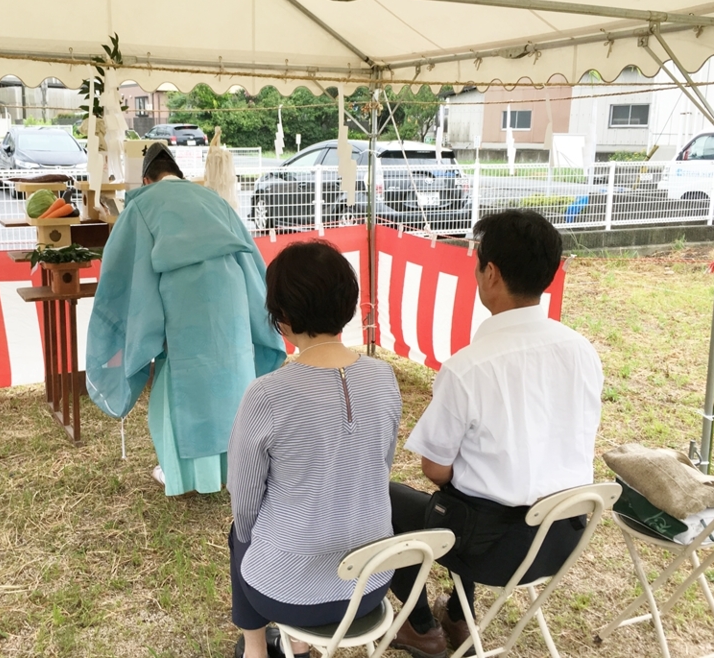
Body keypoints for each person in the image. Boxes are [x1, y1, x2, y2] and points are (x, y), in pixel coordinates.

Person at [388, 209, 603, 658]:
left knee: (386, 497)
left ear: (491, 273)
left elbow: (435, 469)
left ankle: (421, 625)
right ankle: (460, 617)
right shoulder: (582, 351)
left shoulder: (468, 367)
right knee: (473, 494)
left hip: (493, 549)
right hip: (563, 536)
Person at [227, 241, 401, 658]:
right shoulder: (384, 377)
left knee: (241, 534)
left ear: (281, 317)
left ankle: (256, 648)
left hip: (287, 592)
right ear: (349, 303)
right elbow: (382, 467)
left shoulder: (267, 393)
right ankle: (297, 644)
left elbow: (245, 501)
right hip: (372, 581)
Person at [86, 143, 286, 496]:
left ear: (147, 179)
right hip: (232, 309)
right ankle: (233, 473)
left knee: (177, 391)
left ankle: (184, 480)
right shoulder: (214, 202)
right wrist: (259, 320)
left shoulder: (142, 207)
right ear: (177, 174)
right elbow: (253, 267)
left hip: (181, 310)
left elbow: (125, 278)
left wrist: (141, 327)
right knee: (232, 385)